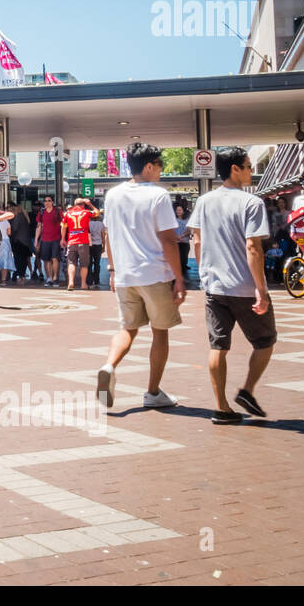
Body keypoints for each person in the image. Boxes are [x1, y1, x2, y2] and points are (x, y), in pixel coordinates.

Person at [187, 147, 275, 425]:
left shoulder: (204, 201)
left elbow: (197, 241)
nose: (252, 171)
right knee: (265, 341)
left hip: (214, 287)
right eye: (249, 166)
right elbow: (253, 247)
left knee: (218, 347)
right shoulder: (251, 203)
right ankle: (247, 390)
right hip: (244, 288)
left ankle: (221, 407)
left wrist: (204, 273)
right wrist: (261, 289)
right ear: (234, 169)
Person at [96, 143, 184, 411]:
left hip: (125, 275)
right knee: (160, 331)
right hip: (155, 274)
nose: (161, 170)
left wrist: (112, 270)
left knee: (128, 329)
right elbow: (169, 240)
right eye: (159, 165)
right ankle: (152, 392)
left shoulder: (113, 195)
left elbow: (107, 236)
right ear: (148, 166)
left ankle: (109, 365)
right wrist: (179, 278)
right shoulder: (158, 195)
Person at [61, 197, 100, 291]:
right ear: (83, 205)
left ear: (75, 204)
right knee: (84, 264)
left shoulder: (68, 214)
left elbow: (63, 227)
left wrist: (63, 239)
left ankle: (71, 282)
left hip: (71, 241)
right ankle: (83, 284)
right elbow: (97, 213)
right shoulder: (86, 212)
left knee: (71, 263)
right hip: (83, 242)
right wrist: (90, 204)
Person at [34, 196, 64, 286]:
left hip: (56, 238)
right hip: (45, 239)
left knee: (55, 258)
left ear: (52, 202)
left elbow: (63, 225)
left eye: (49, 201)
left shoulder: (58, 211)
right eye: (45, 201)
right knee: (46, 260)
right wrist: (36, 239)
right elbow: (39, 226)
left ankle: (55, 278)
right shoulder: (42, 212)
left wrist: (63, 238)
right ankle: (49, 278)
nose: (47, 202)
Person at [9, 204, 34, 284]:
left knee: (18, 260)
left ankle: (20, 277)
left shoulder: (18, 217)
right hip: (26, 242)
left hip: (19, 241)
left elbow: (15, 228)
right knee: (24, 260)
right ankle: (22, 276)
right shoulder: (26, 217)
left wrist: (9, 229)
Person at [87, 208, 105, 289]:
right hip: (98, 245)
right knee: (97, 263)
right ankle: (96, 280)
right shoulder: (101, 224)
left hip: (89, 245)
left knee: (89, 263)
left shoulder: (88, 223)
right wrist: (103, 245)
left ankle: (89, 281)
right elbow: (103, 235)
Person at [173, 204, 191, 277]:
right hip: (176, 241)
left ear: (183, 211)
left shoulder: (187, 221)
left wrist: (182, 236)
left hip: (185, 241)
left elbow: (189, 230)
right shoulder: (173, 220)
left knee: (185, 254)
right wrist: (177, 236)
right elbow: (171, 230)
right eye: (177, 210)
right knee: (178, 255)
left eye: (180, 210)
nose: (178, 211)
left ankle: (184, 265)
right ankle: (180, 269)